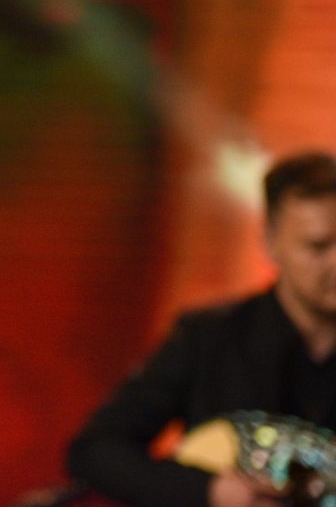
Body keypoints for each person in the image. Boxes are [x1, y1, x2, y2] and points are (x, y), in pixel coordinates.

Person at [66, 151, 336, 507]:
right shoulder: (208, 338)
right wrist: (210, 490)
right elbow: (96, 450)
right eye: (318, 246)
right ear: (271, 242)